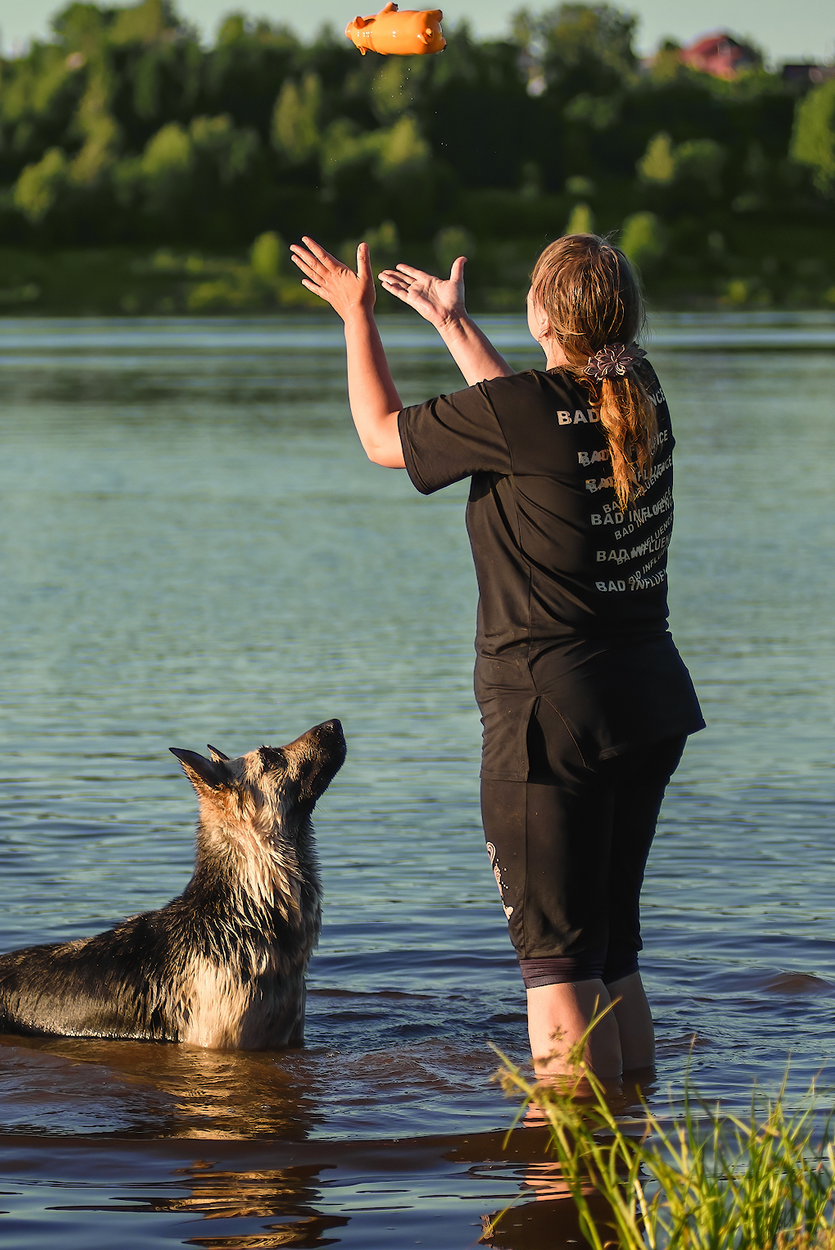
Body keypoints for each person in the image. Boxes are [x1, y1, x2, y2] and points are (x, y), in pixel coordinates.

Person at [288, 233, 704, 1080]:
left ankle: (564, 1191)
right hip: (646, 706)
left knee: (558, 971)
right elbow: (528, 410)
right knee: (614, 958)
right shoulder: (641, 393)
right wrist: (451, 323)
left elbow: (379, 436)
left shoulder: (524, 414)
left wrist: (355, 316)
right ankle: (624, 1174)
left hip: (551, 721)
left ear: (543, 314)